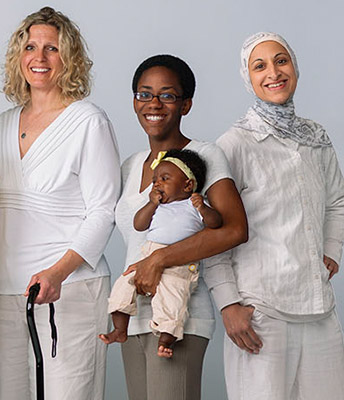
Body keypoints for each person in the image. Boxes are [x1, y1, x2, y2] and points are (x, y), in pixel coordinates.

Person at [0, 7, 120, 399]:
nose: (39, 58)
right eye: (30, 47)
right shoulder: (2, 125)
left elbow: (103, 210)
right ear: (18, 56)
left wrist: (58, 272)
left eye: (52, 49)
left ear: (69, 59)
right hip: (4, 291)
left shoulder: (88, 121)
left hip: (70, 289)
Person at [209, 32, 344, 400]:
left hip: (319, 308)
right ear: (248, 78)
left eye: (281, 60)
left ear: (295, 67)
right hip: (261, 311)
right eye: (260, 65)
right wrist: (228, 304)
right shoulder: (234, 144)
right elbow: (214, 230)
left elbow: (337, 201)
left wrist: (331, 248)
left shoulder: (316, 137)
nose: (273, 72)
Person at [105, 54, 248, 400]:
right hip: (133, 317)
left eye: (167, 95)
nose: (154, 103)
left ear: (186, 105)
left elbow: (233, 229)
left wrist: (159, 260)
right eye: (144, 94)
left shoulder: (203, 156)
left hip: (180, 319)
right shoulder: (129, 166)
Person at [103, 149, 222, 358]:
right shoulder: (157, 206)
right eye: (155, 179)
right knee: (123, 285)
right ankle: (120, 329)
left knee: (172, 300)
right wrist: (151, 204)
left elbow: (216, 223)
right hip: (148, 257)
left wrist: (202, 208)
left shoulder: (194, 204)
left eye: (164, 179)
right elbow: (139, 225)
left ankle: (166, 340)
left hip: (180, 264)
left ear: (187, 185)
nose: (157, 183)